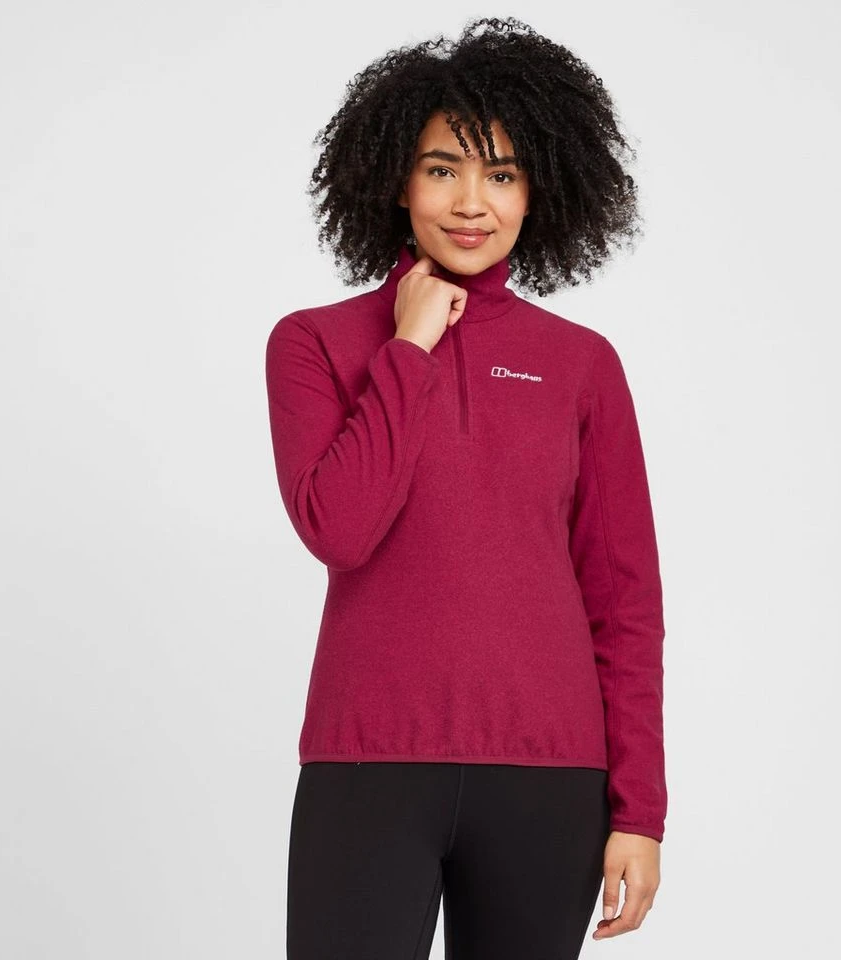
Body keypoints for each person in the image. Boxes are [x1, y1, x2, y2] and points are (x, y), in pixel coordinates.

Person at [265, 16, 666, 959]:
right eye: (442, 168)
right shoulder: (315, 342)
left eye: (503, 174)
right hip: (366, 763)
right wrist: (408, 347)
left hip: (549, 777)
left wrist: (639, 811)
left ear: (540, 189)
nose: (471, 202)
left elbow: (624, 603)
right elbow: (339, 529)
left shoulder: (580, 364)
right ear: (396, 180)